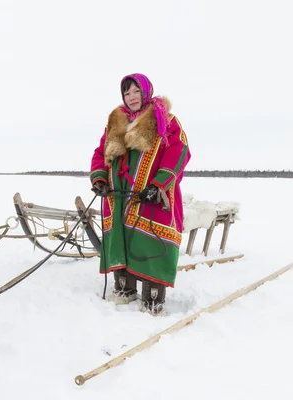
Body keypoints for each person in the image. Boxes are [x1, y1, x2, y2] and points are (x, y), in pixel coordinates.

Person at [89, 73, 191, 315]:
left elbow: (179, 150)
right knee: (122, 238)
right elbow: (100, 152)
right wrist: (100, 178)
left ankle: (153, 297)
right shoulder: (115, 123)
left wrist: (159, 184)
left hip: (152, 196)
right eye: (127, 93)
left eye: (136, 91)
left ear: (146, 92)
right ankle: (124, 288)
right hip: (119, 196)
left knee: (150, 242)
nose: (131, 97)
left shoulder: (165, 120)